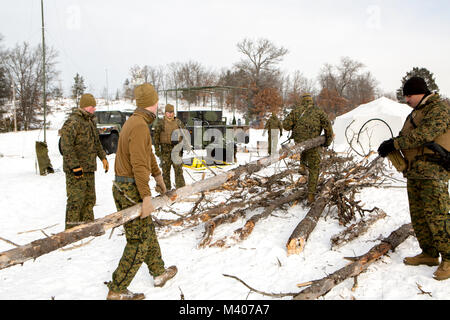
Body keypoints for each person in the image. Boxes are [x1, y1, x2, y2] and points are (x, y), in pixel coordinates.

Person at [106, 83, 178, 300]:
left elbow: (147, 156)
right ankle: (117, 289)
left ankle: (158, 273)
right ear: (151, 104)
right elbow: (138, 165)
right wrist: (146, 197)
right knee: (138, 241)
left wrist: (158, 177)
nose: (158, 106)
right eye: (156, 102)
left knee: (147, 232)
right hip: (130, 189)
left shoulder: (138, 123)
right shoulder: (138, 126)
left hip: (130, 185)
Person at [377, 76, 449, 281]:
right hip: (416, 172)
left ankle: (449, 258)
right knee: (419, 217)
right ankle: (429, 253)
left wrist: (395, 143)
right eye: (405, 95)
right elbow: (407, 137)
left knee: (438, 215)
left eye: (409, 95)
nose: (406, 99)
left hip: (433, 172)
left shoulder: (438, 109)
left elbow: (426, 134)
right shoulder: (415, 113)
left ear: (420, 92)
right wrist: (391, 145)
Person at [60, 93, 109, 230]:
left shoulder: (90, 121)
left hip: (89, 168)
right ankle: (71, 231)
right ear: (85, 106)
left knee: (89, 199)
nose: (94, 109)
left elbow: (96, 142)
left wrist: (103, 157)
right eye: (92, 106)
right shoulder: (73, 122)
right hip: (75, 170)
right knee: (76, 200)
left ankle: (87, 227)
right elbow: (66, 146)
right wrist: (75, 166)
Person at [282, 93, 333, 204]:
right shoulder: (319, 111)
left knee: (303, 148)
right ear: (311, 101)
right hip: (314, 144)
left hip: (299, 144)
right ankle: (311, 196)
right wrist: (327, 142)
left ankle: (302, 164)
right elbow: (328, 128)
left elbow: (285, 125)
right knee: (314, 169)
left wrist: (295, 124)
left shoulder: (296, 111)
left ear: (302, 101)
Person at [153, 103, 186, 189]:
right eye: (168, 112)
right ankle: (166, 190)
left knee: (178, 171)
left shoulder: (178, 122)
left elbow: (184, 135)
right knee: (166, 172)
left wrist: (182, 148)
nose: (170, 114)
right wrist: (157, 150)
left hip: (176, 150)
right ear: (165, 113)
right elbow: (156, 138)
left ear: (174, 113)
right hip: (165, 151)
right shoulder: (160, 123)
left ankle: (181, 189)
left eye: (171, 112)